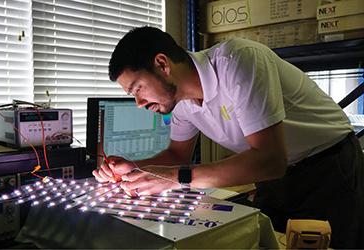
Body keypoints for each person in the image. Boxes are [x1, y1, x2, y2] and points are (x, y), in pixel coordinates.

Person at [92, 26, 364, 248]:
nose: (139, 102)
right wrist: (135, 169)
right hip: (274, 177)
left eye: (138, 88)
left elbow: (270, 159)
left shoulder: (238, 61)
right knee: (268, 243)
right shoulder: (184, 104)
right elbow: (176, 156)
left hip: (329, 165)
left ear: (162, 64)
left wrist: (177, 178)